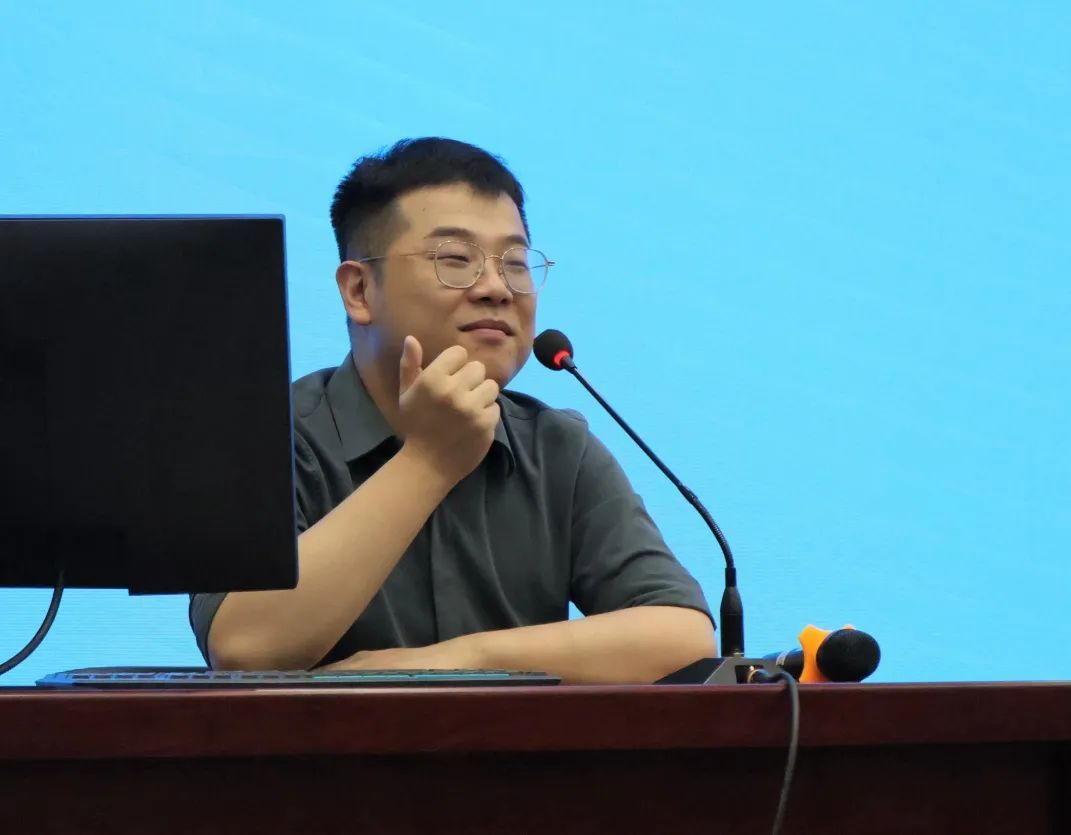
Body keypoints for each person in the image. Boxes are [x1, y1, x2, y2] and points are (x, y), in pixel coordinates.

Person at [189, 138, 715, 683]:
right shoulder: (267, 436)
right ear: (359, 290)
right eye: (455, 260)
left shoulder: (557, 449)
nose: (496, 289)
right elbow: (244, 647)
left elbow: (681, 636)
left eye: (515, 264)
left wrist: (458, 662)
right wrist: (429, 461)